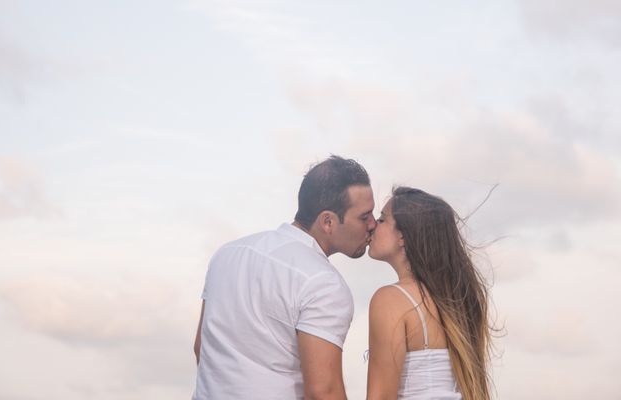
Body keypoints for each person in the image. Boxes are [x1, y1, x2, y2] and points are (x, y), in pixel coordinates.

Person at [193, 155, 377, 400]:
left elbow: (201, 348)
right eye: (364, 217)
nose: (374, 224)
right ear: (328, 222)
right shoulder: (324, 283)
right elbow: (323, 393)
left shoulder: (227, 253)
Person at [366, 187, 491, 400]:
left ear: (403, 236)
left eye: (382, 219)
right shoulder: (457, 304)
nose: (371, 226)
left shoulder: (390, 300)